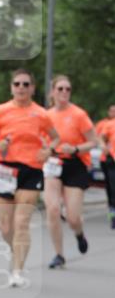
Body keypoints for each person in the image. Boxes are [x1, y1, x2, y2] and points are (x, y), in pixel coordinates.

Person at [0, 69, 59, 288]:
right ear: (11, 87)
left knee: (21, 223)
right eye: (17, 84)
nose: (21, 88)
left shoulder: (41, 114)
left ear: (33, 88)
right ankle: (16, 250)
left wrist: (48, 150)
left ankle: (17, 271)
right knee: (5, 227)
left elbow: (56, 139)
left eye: (26, 84)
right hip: (5, 169)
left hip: (31, 170)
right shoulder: (1, 111)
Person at [44, 75, 98, 269]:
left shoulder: (79, 114)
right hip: (53, 163)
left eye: (68, 89)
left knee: (73, 217)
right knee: (53, 209)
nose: (64, 92)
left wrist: (75, 149)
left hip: (75, 164)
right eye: (60, 89)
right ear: (53, 92)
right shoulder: (47, 116)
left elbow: (94, 141)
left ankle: (79, 233)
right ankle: (59, 255)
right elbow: (41, 140)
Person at [95, 104, 115, 217]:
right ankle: (112, 209)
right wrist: (103, 146)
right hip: (109, 159)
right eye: (112, 111)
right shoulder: (106, 124)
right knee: (111, 185)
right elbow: (98, 137)